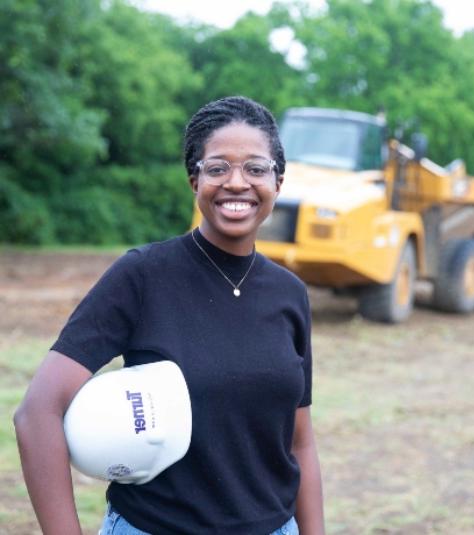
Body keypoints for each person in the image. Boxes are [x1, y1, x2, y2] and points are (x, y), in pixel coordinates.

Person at [14, 95, 325, 535]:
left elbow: (299, 442)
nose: (237, 183)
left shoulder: (290, 294)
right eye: (218, 168)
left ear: (278, 181)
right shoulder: (142, 276)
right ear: (194, 180)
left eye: (255, 168)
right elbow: (37, 412)